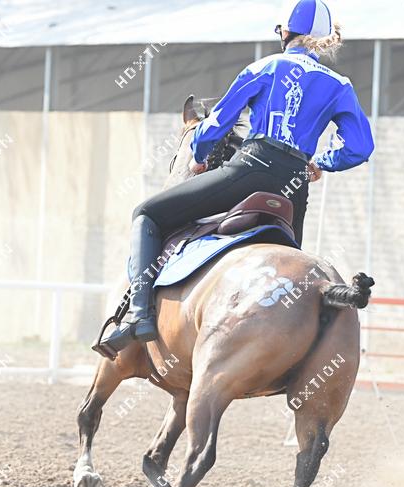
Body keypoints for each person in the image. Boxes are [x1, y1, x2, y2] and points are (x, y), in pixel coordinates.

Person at [99, 0, 374, 356]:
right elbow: (360, 147)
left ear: (285, 32)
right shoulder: (340, 85)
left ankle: (139, 316)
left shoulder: (264, 67)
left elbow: (217, 122)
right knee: (292, 275)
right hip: (294, 189)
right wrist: (321, 161)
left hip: (251, 169)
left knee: (146, 214)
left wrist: (199, 156)